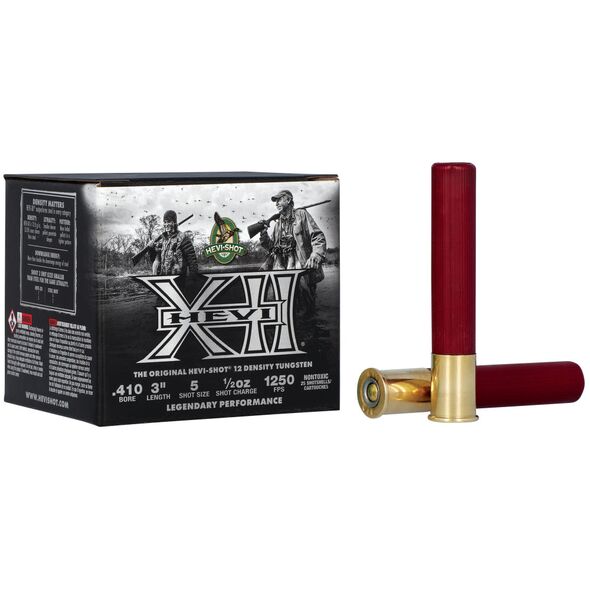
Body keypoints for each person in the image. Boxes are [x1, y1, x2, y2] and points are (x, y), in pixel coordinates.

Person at [259, 190, 327, 308]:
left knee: (306, 306)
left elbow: (318, 237)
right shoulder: (278, 224)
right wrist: (263, 233)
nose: (277, 203)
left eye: (279, 200)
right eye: (275, 201)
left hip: (301, 266)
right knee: (282, 303)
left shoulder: (302, 215)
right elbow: (271, 247)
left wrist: (316, 255)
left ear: (289, 200)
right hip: (282, 267)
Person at [148, 210, 199, 276]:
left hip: (179, 279)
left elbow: (193, 263)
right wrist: (151, 249)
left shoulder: (183, 239)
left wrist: (192, 279)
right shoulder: (163, 240)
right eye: (165, 222)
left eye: (169, 222)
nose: (166, 224)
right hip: (164, 278)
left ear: (174, 222)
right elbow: (154, 260)